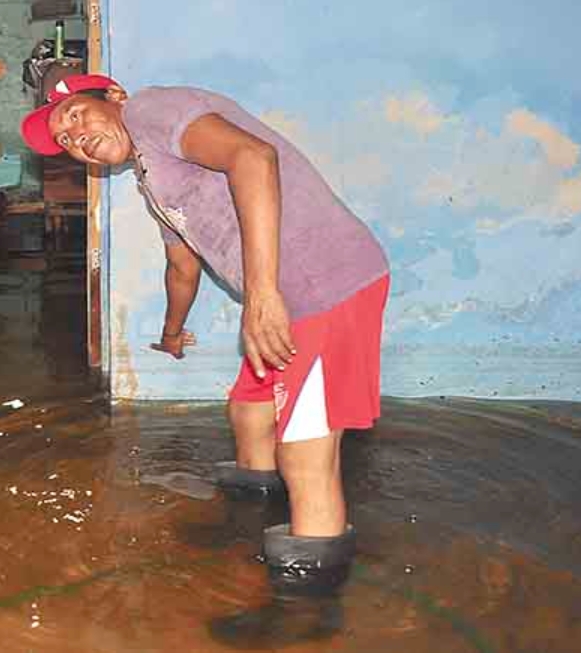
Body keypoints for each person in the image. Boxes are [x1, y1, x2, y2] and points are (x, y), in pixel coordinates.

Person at [20, 74, 389, 602]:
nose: (74, 138)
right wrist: (172, 333)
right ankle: (250, 518)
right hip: (288, 299)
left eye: (76, 115)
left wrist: (261, 294)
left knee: (305, 448)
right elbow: (181, 265)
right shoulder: (152, 177)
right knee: (249, 410)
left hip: (323, 284)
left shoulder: (150, 109)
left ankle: (305, 605)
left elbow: (253, 158)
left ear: (113, 98)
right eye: (64, 141)